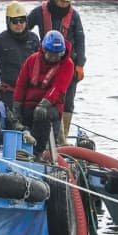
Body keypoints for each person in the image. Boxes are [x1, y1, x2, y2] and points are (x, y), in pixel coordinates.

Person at [27, 0, 86, 144]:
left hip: (68, 65)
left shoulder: (74, 16)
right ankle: (44, 137)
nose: (64, 4)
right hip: (45, 64)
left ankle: (63, 139)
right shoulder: (39, 12)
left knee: (67, 102)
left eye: (67, 1)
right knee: (44, 98)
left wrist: (80, 64)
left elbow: (80, 40)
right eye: (62, 0)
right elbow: (25, 29)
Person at [12, 30, 74, 159]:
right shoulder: (32, 60)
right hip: (30, 104)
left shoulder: (67, 65)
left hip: (52, 106)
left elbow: (58, 88)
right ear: (44, 50)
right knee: (15, 118)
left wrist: (44, 104)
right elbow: (21, 85)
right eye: (50, 54)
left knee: (41, 114)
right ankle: (19, 148)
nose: (53, 58)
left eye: (57, 54)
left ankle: (37, 152)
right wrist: (16, 106)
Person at [0, 1, 40, 111]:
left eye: (22, 20)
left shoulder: (34, 39)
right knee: (11, 122)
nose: (19, 24)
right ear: (8, 22)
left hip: (30, 92)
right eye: (15, 21)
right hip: (9, 93)